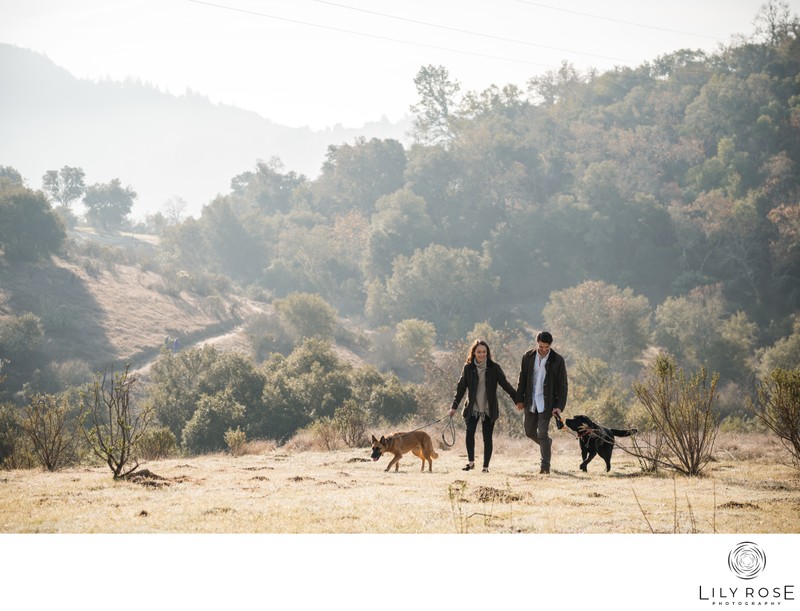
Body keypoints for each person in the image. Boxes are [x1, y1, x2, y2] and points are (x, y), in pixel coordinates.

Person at [449, 339, 517, 473]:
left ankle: (485, 467)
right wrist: (454, 406)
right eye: (479, 352)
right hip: (472, 408)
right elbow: (461, 388)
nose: (482, 354)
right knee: (470, 433)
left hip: (488, 408)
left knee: (487, 437)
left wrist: (517, 399)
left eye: (484, 352)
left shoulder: (494, 368)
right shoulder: (468, 368)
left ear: (487, 352)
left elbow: (505, 385)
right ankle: (471, 463)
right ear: (474, 352)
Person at [515, 331, 568, 474]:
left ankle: (545, 467)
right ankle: (547, 444)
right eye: (541, 347)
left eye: (547, 347)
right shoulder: (528, 356)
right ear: (537, 343)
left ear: (550, 345)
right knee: (529, 432)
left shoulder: (558, 360)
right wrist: (519, 399)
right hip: (530, 400)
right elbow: (522, 379)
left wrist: (559, 406)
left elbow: (563, 385)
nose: (544, 350)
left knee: (542, 433)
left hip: (547, 403)